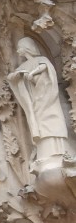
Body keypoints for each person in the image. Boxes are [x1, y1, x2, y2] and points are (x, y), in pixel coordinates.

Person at [8, 39, 70, 169]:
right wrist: (19, 75)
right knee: (40, 125)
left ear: (27, 48)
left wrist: (32, 74)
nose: (18, 50)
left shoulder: (41, 59)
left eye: (20, 47)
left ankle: (59, 152)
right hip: (34, 100)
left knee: (51, 123)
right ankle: (45, 153)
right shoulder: (24, 65)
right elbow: (11, 78)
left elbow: (46, 70)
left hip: (46, 98)